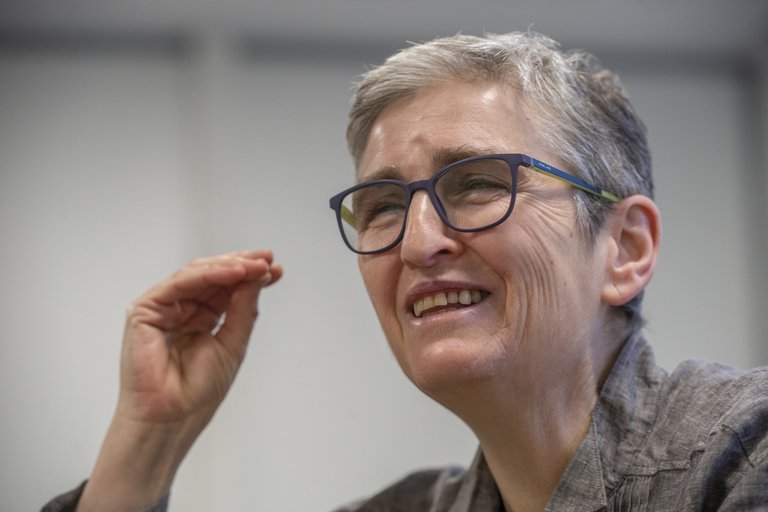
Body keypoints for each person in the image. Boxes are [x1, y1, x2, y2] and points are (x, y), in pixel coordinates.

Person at [43, 32, 767, 512]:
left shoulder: (744, 457)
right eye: (384, 205)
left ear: (625, 248)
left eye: (478, 184)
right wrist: (150, 438)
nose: (419, 244)